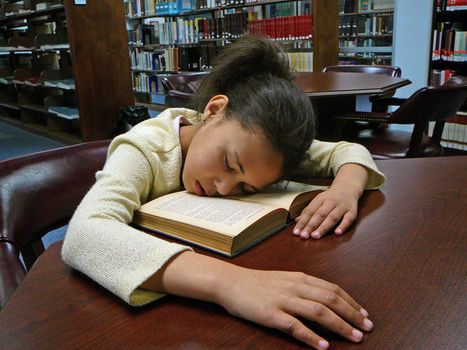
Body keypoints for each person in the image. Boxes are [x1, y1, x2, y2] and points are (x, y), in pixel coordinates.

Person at [62, 35, 385, 350]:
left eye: (247, 188)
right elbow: (84, 233)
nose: (225, 188)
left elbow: (345, 151)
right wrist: (234, 283)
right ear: (214, 110)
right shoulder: (146, 147)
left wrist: (345, 188)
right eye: (229, 164)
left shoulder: (261, 148)